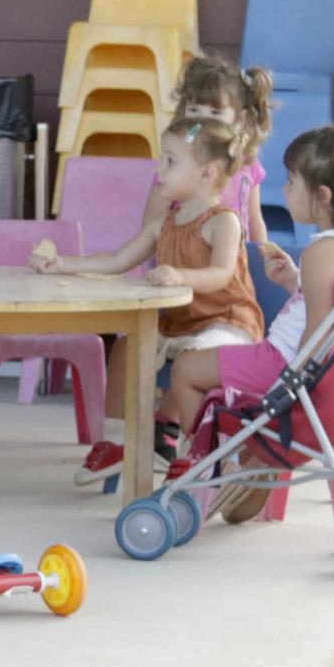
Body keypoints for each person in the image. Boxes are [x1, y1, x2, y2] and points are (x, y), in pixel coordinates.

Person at [65, 55, 275, 486]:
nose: (200, 119)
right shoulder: (171, 185)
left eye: (214, 111)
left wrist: (267, 255)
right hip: (174, 305)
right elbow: (143, 238)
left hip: (221, 303)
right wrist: (63, 264)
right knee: (128, 345)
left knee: (195, 363)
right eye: (193, 110)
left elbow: (253, 229)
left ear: (239, 120)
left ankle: (190, 441)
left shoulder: (237, 187)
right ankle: (123, 441)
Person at [167, 118, 334, 524]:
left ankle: (204, 468)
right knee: (208, 372)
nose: (283, 190)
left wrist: (288, 391)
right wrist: (295, 283)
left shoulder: (325, 251)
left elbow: (317, 336)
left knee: (185, 369)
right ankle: (246, 465)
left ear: (322, 196)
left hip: (286, 367)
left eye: (290, 182)